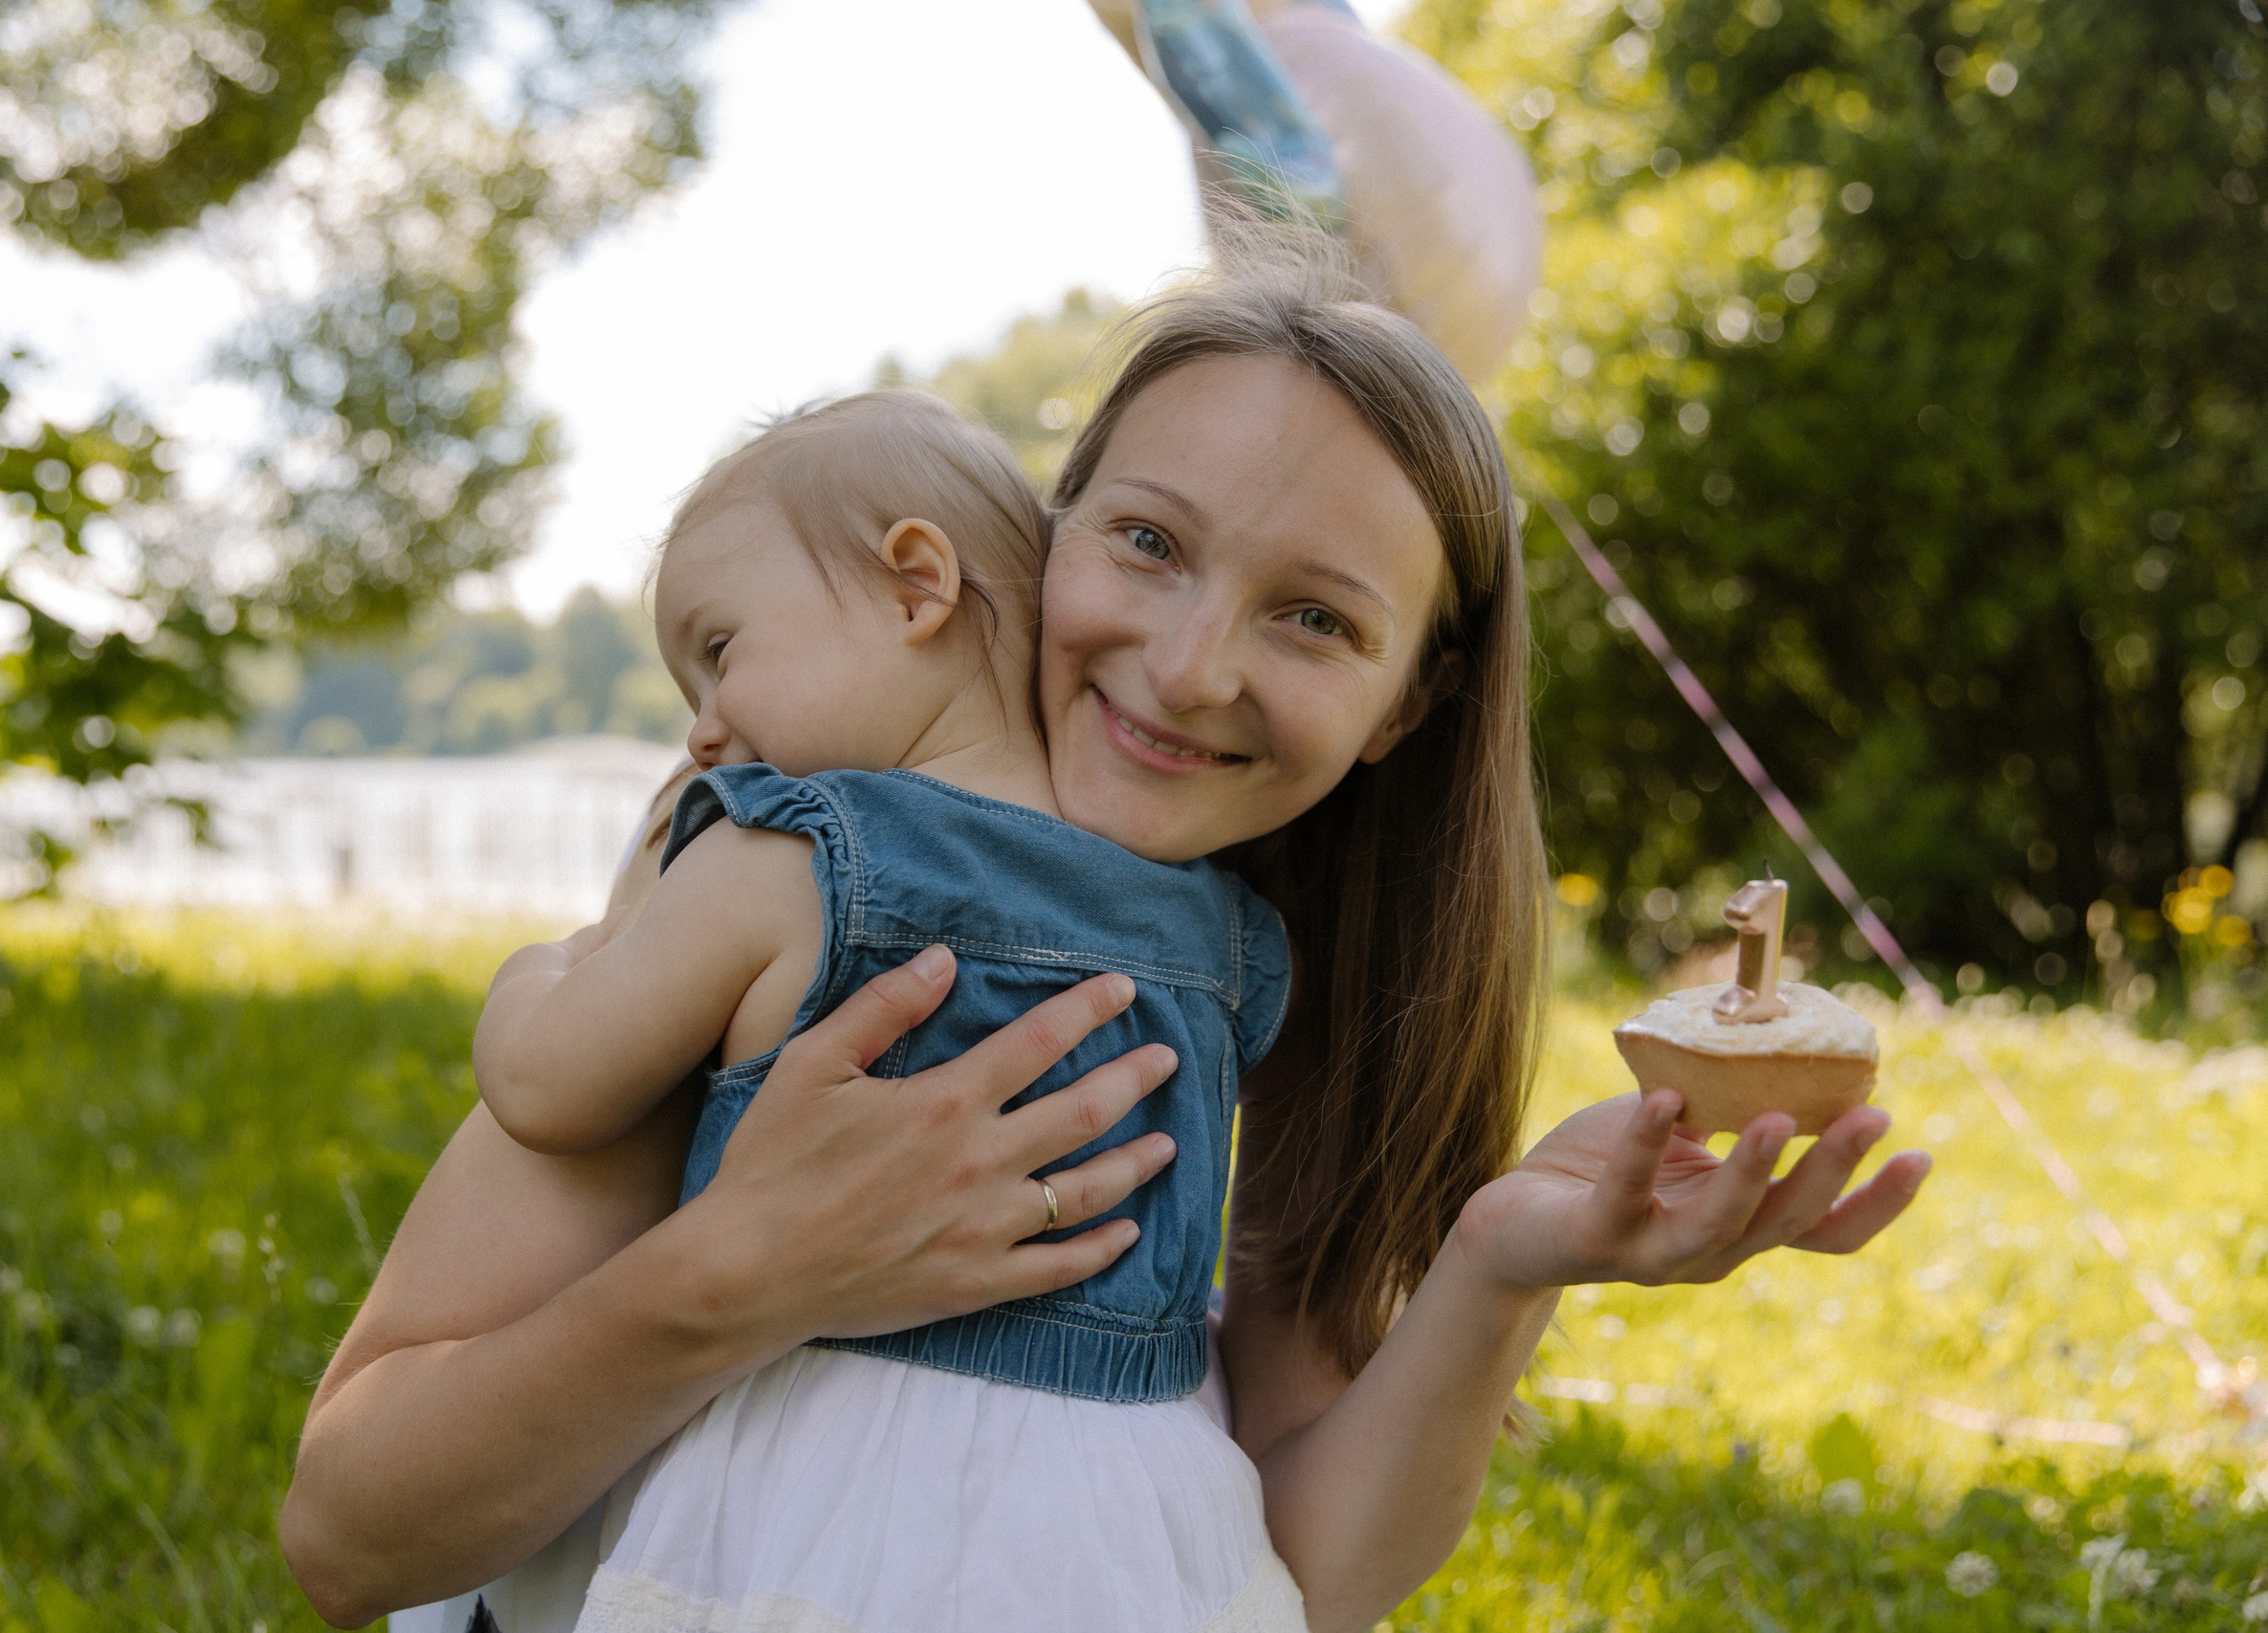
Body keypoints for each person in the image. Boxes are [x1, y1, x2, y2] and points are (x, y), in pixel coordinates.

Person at [281, 237, 1931, 1633]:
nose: (1190, 664)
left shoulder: (1258, 972)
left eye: (1314, 617)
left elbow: (1305, 1571)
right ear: (1038, 536)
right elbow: (351, 1536)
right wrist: (748, 1269)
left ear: (1401, 706)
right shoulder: (793, 868)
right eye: (1146, 540)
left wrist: (1501, 1269)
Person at [473, 386, 1303, 1627]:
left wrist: (558, 959)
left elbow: (545, 1088)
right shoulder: (1226, 932)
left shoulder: (790, 862)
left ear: (918, 585)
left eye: (717, 651)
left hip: (820, 1505)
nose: (701, 731)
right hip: (1127, 1533)